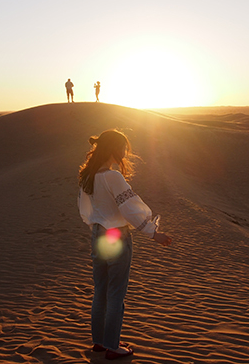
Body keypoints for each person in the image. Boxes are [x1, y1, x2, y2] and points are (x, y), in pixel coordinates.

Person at [78, 129, 172, 360]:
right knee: (116, 293)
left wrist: (97, 227)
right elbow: (129, 209)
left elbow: (86, 210)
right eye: (123, 148)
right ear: (114, 148)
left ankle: (99, 342)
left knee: (100, 291)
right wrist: (153, 233)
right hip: (117, 236)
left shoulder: (89, 175)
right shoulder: (113, 176)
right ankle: (113, 346)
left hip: (98, 235)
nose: (125, 152)